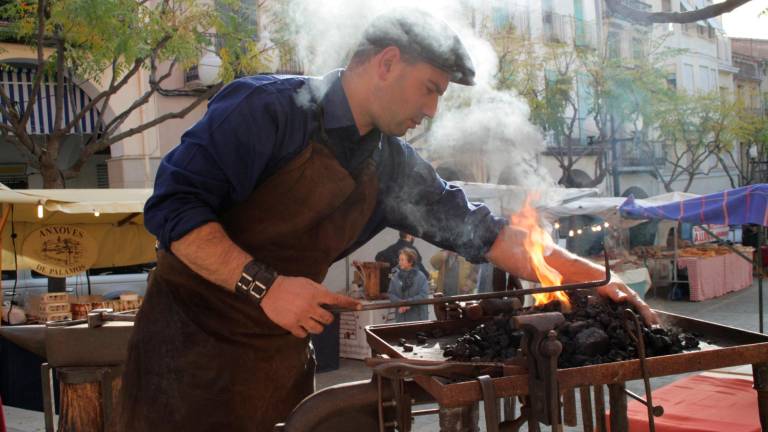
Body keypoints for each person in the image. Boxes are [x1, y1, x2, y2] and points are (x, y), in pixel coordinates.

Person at [116, 8, 657, 432]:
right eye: (431, 89)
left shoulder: (391, 166)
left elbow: (488, 234)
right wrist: (266, 286)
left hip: (275, 364)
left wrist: (594, 280)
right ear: (387, 62)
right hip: (184, 357)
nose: (432, 111)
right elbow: (171, 209)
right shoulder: (265, 110)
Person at [388, 248, 429, 322]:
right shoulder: (395, 276)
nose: (399, 262)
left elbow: (423, 295)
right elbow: (391, 293)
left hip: (417, 318)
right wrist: (399, 303)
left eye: (402, 260)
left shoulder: (420, 276)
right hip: (400, 318)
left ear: (410, 262)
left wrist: (408, 303)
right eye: (399, 260)